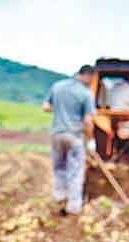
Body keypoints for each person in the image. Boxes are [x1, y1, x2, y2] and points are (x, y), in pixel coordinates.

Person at [42, 65, 96, 215]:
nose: (92, 82)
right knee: (75, 171)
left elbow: (46, 107)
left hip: (57, 134)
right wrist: (91, 140)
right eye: (92, 79)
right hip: (74, 136)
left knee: (59, 167)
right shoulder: (86, 94)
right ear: (88, 76)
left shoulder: (57, 86)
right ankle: (73, 206)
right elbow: (87, 121)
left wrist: (60, 110)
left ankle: (60, 197)